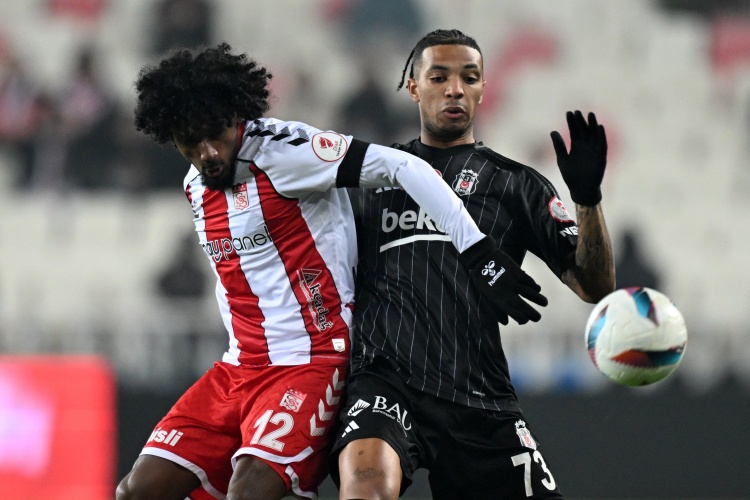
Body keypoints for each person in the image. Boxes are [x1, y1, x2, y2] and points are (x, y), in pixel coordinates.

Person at [115, 43, 548, 500]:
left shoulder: (287, 153)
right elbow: (238, 277)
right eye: (190, 141)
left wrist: (476, 250)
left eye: (215, 133)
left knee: (250, 492)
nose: (207, 152)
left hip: (312, 361)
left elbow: (406, 167)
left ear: (236, 115)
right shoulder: (196, 185)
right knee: (137, 491)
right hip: (239, 366)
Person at [330, 29, 616, 499]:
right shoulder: (371, 178)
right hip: (385, 384)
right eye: (439, 77)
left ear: (483, 88)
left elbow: (595, 285)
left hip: (478, 394)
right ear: (413, 87)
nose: (455, 89)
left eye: (469, 77)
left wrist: (587, 199)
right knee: (366, 486)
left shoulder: (515, 183)